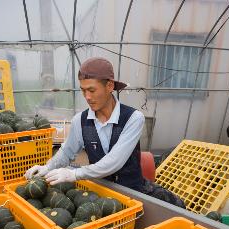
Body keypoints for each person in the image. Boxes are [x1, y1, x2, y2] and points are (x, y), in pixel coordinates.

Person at [25, 57, 185, 208]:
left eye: (92, 90)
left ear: (109, 86)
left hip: (134, 191)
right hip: (101, 193)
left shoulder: (133, 118)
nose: (87, 97)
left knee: (178, 206)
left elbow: (114, 162)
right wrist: (47, 167)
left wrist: (74, 174)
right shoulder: (79, 121)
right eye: (83, 91)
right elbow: (67, 152)